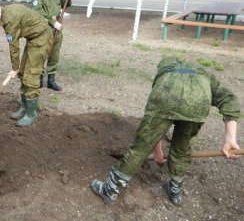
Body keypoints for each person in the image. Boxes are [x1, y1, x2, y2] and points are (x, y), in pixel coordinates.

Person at [91, 57, 240, 206]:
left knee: (140, 148)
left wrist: (156, 150)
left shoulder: (165, 74)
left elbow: (155, 127)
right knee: (181, 148)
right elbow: (229, 100)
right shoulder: (204, 74)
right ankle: (175, 191)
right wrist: (230, 139)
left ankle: (110, 190)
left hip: (166, 96)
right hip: (197, 103)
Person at [0, 0, 53, 127]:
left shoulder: (9, 18)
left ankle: (31, 114)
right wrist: (17, 69)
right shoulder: (5, 14)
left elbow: (13, 46)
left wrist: (15, 68)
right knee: (23, 73)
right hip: (33, 38)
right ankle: (24, 106)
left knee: (31, 75)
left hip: (41, 38)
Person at [31, 0, 72, 91]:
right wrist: (53, 22)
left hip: (58, 26)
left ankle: (51, 80)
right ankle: (39, 79)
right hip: (45, 27)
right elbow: (37, 11)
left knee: (54, 53)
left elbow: (65, 4)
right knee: (42, 52)